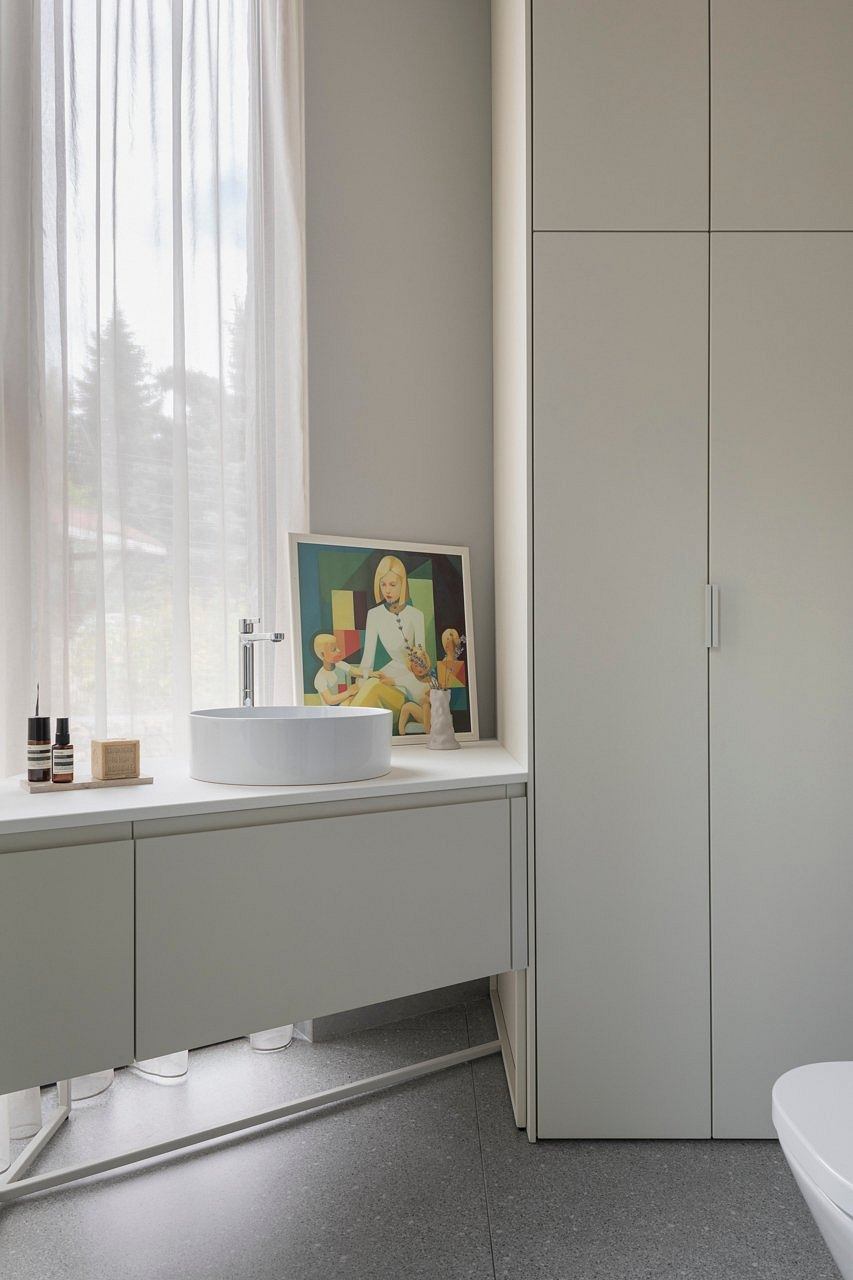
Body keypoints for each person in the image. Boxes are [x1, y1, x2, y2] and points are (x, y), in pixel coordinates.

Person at [350, 555, 432, 732]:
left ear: (403, 584)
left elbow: (422, 665)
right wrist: (361, 682)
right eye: (383, 584)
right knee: (358, 693)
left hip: (410, 687)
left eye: (393, 585)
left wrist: (394, 681)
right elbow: (367, 660)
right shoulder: (374, 615)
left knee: (372, 688)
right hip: (385, 677)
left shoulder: (416, 615)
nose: (387, 590)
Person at [312, 634, 358, 706]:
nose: (339, 650)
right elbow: (330, 700)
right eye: (334, 649)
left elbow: (356, 672)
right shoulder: (320, 678)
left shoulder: (341, 665)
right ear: (323, 655)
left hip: (347, 703)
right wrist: (348, 693)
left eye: (338, 648)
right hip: (333, 710)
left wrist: (372, 673)